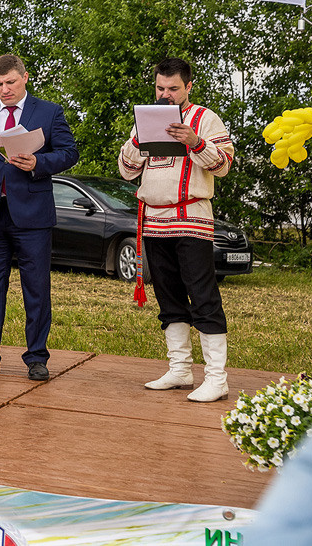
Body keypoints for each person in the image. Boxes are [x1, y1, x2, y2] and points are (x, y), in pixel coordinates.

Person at [0, 54, 79, 381]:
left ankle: (36, 358)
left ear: (24, 77)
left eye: (9, 82)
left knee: (36, 290)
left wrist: (39, 163)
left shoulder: (49, 112)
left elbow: (69, 153)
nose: (4, 90)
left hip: (33, 217)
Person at [118, 57, 234, 402]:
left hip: (192, 216)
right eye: (160, 88)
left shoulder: (205, 117)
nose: (165, 95)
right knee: (168, 296)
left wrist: (194, 140)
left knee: (202, 295)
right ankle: (181, 370)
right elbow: (127, 171)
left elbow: (225, 165)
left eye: (173, 89)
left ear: (189, 87)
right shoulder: (146, 120)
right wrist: (138, 141)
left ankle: (217, 378)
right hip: (153, 219)